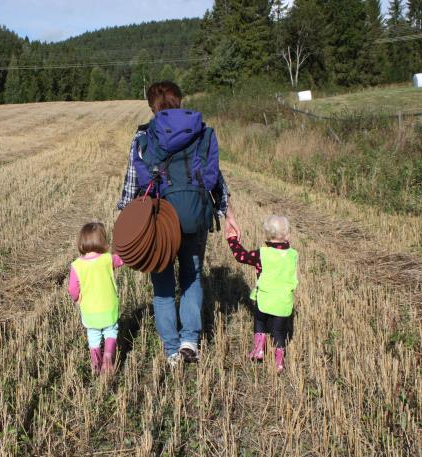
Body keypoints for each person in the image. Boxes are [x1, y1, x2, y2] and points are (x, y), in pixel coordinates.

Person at [117, 81, 240, 366]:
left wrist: (125, 228)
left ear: (152, 106)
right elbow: (216, 180)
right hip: (195, 215)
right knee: (192, 278)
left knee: (162, 286)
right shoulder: (202, 132)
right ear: (180, 101)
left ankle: (171, 350)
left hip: (159, 223)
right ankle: (190, 342)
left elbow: (131, 186)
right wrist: (229, 216)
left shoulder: (144, 137)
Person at [227, 215, 298, 372]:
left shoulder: (262, 254)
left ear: (267, 236)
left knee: (260, 322)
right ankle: (279, 362)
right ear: (287, 235)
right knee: (279, 332)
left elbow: (241, 256)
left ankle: (258, 350)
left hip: (264, 300)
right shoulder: (293, 255)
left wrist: (232, 240)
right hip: (283, 302)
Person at [68, 222, 124, 374]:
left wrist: (77, 298)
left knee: (93, 337)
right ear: (103, 241)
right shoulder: (108, 259)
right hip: (109, 308)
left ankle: (96, 364)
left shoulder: (76, 265)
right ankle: (108, 357)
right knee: (111, 332)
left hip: (90, 311)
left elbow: (72, 289)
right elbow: (122, 259)